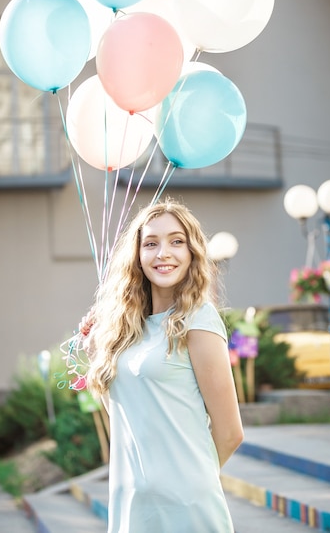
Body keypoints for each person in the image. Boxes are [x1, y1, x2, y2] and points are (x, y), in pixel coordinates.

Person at [82, 198, 244, 533]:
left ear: (192, 253)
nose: (163, 253)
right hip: (132, 502)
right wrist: (96, 350)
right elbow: (127, 414)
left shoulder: (198, 320)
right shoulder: (127, 330)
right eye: (151, 243)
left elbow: (230, 433)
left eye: (177, 241)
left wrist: (187, 484)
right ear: (138, 256)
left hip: (186, 507)